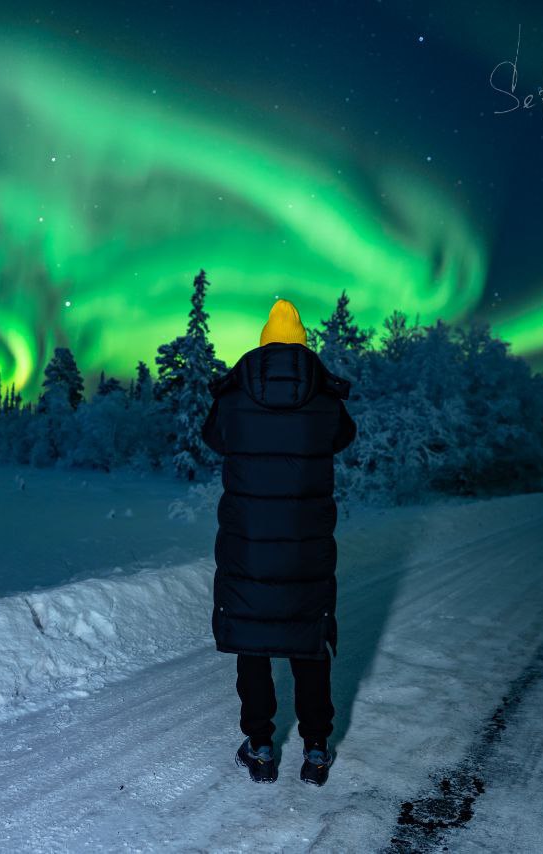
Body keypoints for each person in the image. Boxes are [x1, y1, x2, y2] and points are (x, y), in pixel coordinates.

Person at [199, 297, 357, 785]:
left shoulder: (233, 394)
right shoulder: (326, 397)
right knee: (308, 644)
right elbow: (344, 436)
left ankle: (262, 748)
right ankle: (315, 751)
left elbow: (213, 438)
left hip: (248, 544)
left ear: (264, 343)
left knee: (254, 641)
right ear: (304, 344)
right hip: (306, 547)